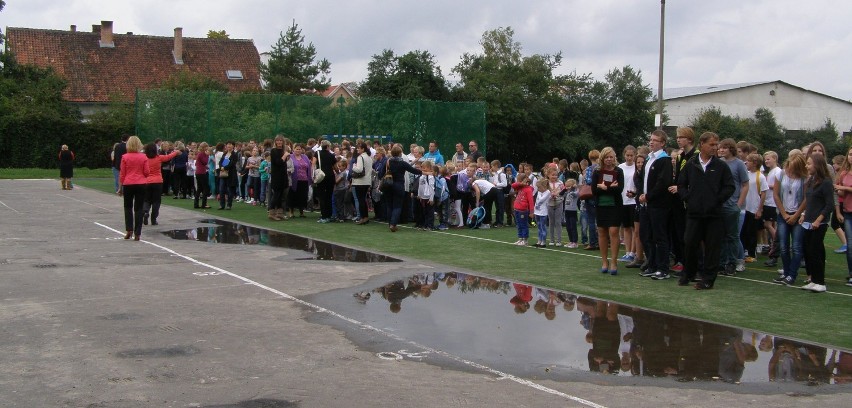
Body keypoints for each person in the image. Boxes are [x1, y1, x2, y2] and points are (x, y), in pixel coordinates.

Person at [676, 132, 735, 290]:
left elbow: (730, 186)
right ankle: (688, 273)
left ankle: (708, 279)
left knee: (712, 247)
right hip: (694, 213)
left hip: (713, 214)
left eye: (716, 145)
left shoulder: (720, 166)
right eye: (712, 144)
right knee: (689, 243)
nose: (715, 148)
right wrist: (688, 198)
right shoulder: (692, 164)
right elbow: (681, 184)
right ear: (702, 144)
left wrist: (716, 200)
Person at [639, 130, 674, 280]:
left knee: (660, 236)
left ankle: (663, 268)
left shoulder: (664, 160)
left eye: (655, 140)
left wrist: (649, 196)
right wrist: (640, 194)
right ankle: (652, 264)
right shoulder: (648, 159)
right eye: (651, 140)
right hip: (646, 204)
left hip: (658, 204)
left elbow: (663, 183)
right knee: (648, 236)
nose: (651, 142)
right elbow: (643, 179)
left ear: (663, 143)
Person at [799, 153, 834, 293]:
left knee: (816, 251)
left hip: (819, 223)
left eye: (809, 163)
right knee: (808, 250)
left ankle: (820, 282)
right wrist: (803, 215)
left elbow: (829, 204)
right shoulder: (811, 181)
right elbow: (809, 202)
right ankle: (813, 280)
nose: (807, 166)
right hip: (808, 221)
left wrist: (819, 219)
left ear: (817, 165)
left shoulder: (826, 182)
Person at [771, 152, 807, 286]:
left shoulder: (804, 178)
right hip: (783, 213)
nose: (790, 170)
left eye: (794, 168)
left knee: (796, 247)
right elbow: (776, 195)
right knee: (784, 246)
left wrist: (796, 215)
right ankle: (786, 273)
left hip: (797, 214)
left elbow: (805, 198)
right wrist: (784, 214)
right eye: (789, 167)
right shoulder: (780, 174)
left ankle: (792, 275)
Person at [717, 138, 749, 276]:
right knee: (721, 235)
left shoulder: (739, 164)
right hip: (720, 204)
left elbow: (745, 184)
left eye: (724, 148)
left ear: (731, 149)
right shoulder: (719, 163)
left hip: (732, 205)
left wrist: (738, 204)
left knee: (732, 236)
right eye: (720, 148)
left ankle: (732, 262)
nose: (721, 150)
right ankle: (722, 262)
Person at [591, 147, 625, 275]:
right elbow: (594, 190)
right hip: (601, 205)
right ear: (602, 158)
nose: (609, 159)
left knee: (614, 231)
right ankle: (604, 261)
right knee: (602, 231)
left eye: (611, 157)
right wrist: (609, 187)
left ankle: (614, 261)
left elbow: (619, 189)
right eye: (607, 157)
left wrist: (605, 187)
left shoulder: (619, 171)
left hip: (615, 205)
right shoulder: (597, 172)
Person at [118, 136, 150, 241]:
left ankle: (129, 230)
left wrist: (120, 187)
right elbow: (147, 172)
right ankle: (138, 233)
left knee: (127, 207)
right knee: (139, 208)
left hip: (128, 183)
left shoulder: (125, 157)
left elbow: (122, 173)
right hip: (141, 183)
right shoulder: (144, 157)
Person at [386, 145, 422, 231]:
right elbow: (414, 170)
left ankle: (390, 223)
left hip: (389, 184)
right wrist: (424, 172)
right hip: (399, 185)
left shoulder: (388, 161)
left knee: (390, 206)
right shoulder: (402, 163)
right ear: (400, 153)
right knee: (397, 206)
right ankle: (393, 224)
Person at [143, 142, 180, 224]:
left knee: (147, 199)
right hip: (158, 181)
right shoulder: (159, 157)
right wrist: (176, 152)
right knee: (156, 201)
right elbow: (168, 157)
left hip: (147, 181)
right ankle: (154, 219)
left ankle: (145, 211)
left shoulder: (144, 158)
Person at [741, 153, 768, 263]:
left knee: (752, 232)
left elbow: (764, 193)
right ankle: (744, 251)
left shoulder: (760, 176)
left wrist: (760, 209)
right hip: (745, 207)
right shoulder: (746, 174)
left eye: (749, 161)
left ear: (755, 163)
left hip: (754, 207)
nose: (746, 162)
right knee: (743, 231)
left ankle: (752, 254)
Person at [834, 146, 852, 287]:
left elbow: (845, 189)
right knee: (850, 245)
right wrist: (838, 188)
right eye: (850, 154)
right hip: (847, 212)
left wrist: (843, 188)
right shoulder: (844, 173)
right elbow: (840, 194)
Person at [617, 145, 637, 263]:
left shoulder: (637, 167)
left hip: (633, 201)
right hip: (623, 200)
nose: (629, 158)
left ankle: (633, 252)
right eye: (627, 155)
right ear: (624, 155)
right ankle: (627, 252)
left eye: (631, 155)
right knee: (626, 227)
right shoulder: (620, 167)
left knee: (634, 228)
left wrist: (634, 193)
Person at [351, 141, 374, 224]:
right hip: (367, 181)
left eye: (359, 148)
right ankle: (366, 217)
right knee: (363, 199)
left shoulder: (360, 157)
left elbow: (359, 169)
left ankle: (363, 217)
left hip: (359, 181)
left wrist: (354, 167)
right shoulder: (369, 157)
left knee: (360, 200)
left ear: (363, 149)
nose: (357, 149)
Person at [287, 143, 313, 218]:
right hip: (294, 180)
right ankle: (291, 212)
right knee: (292, 196)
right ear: (293, 149)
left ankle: (301, 212)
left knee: (303, 196)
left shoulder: (305, 157)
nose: (298, 150)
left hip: (304, 180)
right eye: (297, 149)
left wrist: (310, 178)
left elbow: (309, 167)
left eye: (299, 149)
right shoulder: (290, 157)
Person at [268, 135, 291, 221]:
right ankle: (271, 212)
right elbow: (278, 162)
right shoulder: (273, 151)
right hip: (276, 176)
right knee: (276, 194)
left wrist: (286, 157)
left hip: (283, 175)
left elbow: (284, 163)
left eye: (281, 141)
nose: (279, 142)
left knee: (281, 195)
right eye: (278, 141)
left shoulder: (283, 151)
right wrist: (285, 156)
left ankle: (279, 213)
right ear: (275, 142)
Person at [315, 140, 336, 223]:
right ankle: (329, 215)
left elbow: (313, 163)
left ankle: (323, 216)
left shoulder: (317, 153)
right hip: (330, 177)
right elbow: (335, 167)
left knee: (322, 197)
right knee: (329, 196)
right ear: (328, 147)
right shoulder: (331, 155)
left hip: (321, 177)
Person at [511, 173, 534, 246]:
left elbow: (531, 201)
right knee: (518, 225)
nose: (518, 182)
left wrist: (531, 212)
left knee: (523, 225)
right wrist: (521, 183)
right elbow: (513, 185)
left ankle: (525, 240)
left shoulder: (528, 190)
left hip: (523, 210)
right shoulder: (520, 187)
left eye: (519, 180)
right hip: (517, 209)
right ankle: (520, 238)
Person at [217, 141, 239, 210]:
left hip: (231, 174)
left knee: (230, 190)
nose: (228, 146)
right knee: (221, 189)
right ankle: (222, 205)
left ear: (233, 146)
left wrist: (225, 167)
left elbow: (232, 163)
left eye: (230, 144)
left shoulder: (234, 154)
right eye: (227, 144)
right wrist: (221, 167)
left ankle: (229, 204)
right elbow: (221, 162)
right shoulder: (225, 154)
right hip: (223, 174)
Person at [532, 178, 552, 247]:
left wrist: (539, 195)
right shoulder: (539, 192)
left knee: (543, 227)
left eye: (539, 187)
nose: (538, 189)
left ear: (544, 186)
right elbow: (536, 201)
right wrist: (534, 211)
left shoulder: (548, 192)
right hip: (537, 211)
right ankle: (539, 241)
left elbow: (541, 200)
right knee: (539, 227)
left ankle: (543, 242)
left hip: (543, 212)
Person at [193, 142, 211, 209]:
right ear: (204, 147)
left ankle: (196, 204)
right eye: (206, 147)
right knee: (205, 188)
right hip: (202, 173)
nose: (207, 148)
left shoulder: (199, 154)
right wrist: (207, 155)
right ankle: (204, 204)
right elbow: (205, 162)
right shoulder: (202, 154)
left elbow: (200, 164)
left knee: (199, 188)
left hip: (198, 172)